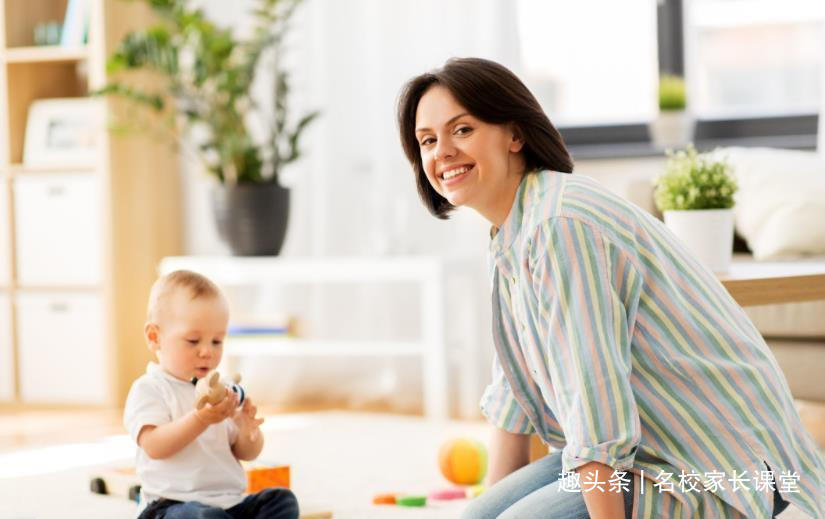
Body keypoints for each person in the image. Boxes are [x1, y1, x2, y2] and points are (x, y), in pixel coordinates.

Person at [397, 57, 825, 519]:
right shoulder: (512, 232)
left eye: (462, 130)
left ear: (515, 135)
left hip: (723, 474)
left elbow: (596, 410)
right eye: (427, 140)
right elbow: (514, 398)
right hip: (648, 457)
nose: (441, 151)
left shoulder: (559, 226)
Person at [124, 270, 299, 519]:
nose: (207, 351)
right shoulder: (150, 389)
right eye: (193, 340)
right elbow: (155, 446)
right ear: (155, 337)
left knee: (281, 500)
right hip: (171, 506)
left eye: (217, 341)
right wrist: (200, 419)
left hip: (230, 505)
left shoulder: (221, 391)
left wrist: (248, 433)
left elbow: (245, 454)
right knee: (201, 516)